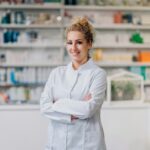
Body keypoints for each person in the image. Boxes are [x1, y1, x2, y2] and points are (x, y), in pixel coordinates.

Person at [40, 16, 107, 150]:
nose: (73, 48)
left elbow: (88, 109)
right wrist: (73, 113)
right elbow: (44, 107)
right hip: (56, 143)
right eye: (69, 42)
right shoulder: (56, 74)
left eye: (79, 42)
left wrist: (58, 103)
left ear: (89, 43)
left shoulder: (97, 74)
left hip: (87, 145)